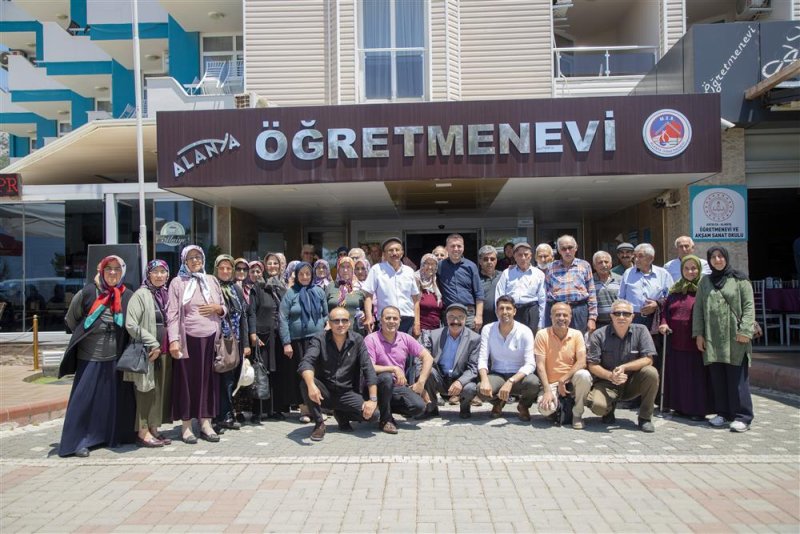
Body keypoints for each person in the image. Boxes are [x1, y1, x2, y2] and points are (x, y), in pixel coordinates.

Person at [58, 255, 136, 457]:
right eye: (108, 269)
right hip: (89, 355)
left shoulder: (126, 295)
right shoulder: (88, 292)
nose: (112, 273)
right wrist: (88, 332)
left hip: (114, 355)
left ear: (122, 272)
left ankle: (106, 437)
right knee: (83, 400)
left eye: (117, 269)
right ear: (101, 271)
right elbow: (72, 319)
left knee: (109, 401)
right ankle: (77, 442)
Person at [167, 245, 226, 444]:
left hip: (210, 338)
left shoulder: (211, 280)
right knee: (186, 382)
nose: (195, 261)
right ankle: (186, 426)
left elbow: (223, 307)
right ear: (184, 261)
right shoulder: (177, 282)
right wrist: (174, 340)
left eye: (198, 257)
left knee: (208, 383)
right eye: (190, 258)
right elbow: (173, 314)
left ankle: (206, 423)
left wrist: (218, 308)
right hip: (187, 340)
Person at [692, 246, 755, 433]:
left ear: (726, 258)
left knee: (737, 378)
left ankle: (743, 416)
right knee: (717, 377)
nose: (717, 260)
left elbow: (749, 306)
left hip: (736, 336)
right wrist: (699, 334)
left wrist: (745, 330)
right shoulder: (705, 281)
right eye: (713, 257)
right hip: (712, 337)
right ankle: (723, 413)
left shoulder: (740, 279)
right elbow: (699, 310)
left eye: (720, 256)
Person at [298, 307, 380, 441]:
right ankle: (319, 424)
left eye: (344, 320)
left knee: (373, 415)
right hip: (324, 392)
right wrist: (312, 385)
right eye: (336, 321)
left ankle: (342, 415)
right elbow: (306, 362)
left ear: (349, 323)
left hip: (346, 393)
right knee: (305, 383)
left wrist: (373, 400)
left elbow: (368, 369)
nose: (340, 324)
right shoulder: (319, 339)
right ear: (329, 323)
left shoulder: (358, 340)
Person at [586, 299, 659, 433]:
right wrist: (610, 376)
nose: (621, 317)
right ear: (611, 316)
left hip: (632, 382)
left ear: (632, 316)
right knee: (598, 406)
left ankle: (645, 418)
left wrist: (625, 367)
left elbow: (648, 359)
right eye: (617, 313)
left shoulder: (641, 331)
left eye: (626, 314)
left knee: (651, 372)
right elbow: (593, 365)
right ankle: (608, 409)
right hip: (607, 382)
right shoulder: (598, 335)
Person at [124, 259, 173, 448]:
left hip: (165, 351)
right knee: (145, 391)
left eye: (163, 272)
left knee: (158, 391)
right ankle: (142, 432)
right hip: (148, 351)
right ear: (148, 274)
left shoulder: (166, 294)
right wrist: (152, 343)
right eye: (156, 272)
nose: (159, 275)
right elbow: (131, 324)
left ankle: (154, 428)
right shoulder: (141, 295)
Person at [365, 306, 434, 434]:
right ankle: (386, 420)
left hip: (397, 386)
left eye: (395, 318)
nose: (391, 321)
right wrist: (394, 368)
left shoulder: (405, 338)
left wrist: (421, 382)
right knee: (386, 377)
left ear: (400, 321)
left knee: (418, 407)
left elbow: (428, 357)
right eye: (388, 318)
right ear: (381, 320)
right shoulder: (371, 339)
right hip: (376, 385)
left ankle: (384, 408)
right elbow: (369, 366)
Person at [658, 255, 710, 421]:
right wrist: (664, 324)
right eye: (686, 268)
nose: (690, 272)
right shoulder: (675, 290)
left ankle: (697, 410)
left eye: (694, 268)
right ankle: (679, 407)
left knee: (696, 377)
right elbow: (665, 312)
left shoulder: (704, 289)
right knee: (678, 375)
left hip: (695, 341)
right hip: (675, 341)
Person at [279, 261, 329, 423]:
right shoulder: (290, 293)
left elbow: (326, 314)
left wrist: (324, 327)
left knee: (318, 373)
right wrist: (286, 342)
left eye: (308, 273)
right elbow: (283, 318)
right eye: (301, 274)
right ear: (297, 275)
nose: (305, 277)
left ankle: (319, 408)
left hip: (317, 339)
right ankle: (305, 409)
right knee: (301, 374)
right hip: (297, 341)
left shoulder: (319, 291)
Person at [477, 296, 540, 420]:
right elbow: (482, 359)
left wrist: (511, 381)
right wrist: (484, 379)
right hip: (497, 374)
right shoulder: (487, 329)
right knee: (480, 389)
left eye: (508, 308)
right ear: (496, 311)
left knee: (533, 382)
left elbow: (530, 364)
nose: (504, 312)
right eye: (501, 308)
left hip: (518, 377)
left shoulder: (525, 331)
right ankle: (498, 402)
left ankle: (523, 405)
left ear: (514, 311)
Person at [213, 255, 255, 432]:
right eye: (222, 268)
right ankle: (218, 417)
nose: (225, 271)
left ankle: (227, 413)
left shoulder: (235, 289)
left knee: (231, 379)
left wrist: (245, 343)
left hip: (234, 342)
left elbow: (243, 316)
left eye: (228, 268)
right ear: (216, 269)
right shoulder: (212, 287)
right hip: (217, 342)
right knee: (219, 380)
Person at [534, 303, 592, 429]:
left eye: (565, 315)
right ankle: (559, 409)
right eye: (557, 315)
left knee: (584, 375)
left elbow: (582, 362)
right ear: (551, 317)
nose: (561, 318)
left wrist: (563, 379)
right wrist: (547, 391)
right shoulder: (542, 335)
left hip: (571, 380)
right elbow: (540, 366)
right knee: (545, 410)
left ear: (570, 317)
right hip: (551, 383)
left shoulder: (577, 334)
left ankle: (577, 414)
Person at [422, 303, 481, 419]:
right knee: (428, 371)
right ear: (446, 318)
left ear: (465, 319)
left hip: (461, 378)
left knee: (470, 388)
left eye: (460, 317)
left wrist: (460, 381)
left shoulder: (474, 339)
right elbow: (422, 359)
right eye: (451, 317)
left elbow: (473, 368)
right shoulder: (434, 335)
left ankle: (465, 407)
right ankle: (432, 408)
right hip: (441, 378)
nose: (455, 321)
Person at [250, 252, 287, 421]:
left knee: (277, 372)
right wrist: (253, 334)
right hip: (262, 336)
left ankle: (275, 408)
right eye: (269, 263)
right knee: (261, 371)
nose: (273, 266)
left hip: (279, 336)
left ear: (280, 266)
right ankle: (259, 410)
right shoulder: (258, 287)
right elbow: (251, 312)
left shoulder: (283, 288)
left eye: (275, 263)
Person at [362, 237, 420, 336]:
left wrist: (417, 323)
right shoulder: (376, 270)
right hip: (386, 320)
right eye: (390, 250)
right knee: (387, 351)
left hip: (408, 320)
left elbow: (415, 300)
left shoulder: (409, 271)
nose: (394, 253)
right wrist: (368, 317)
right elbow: (368, 296)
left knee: (407, 351)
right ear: (384, 254)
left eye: (397, 250)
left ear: (402, 252)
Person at [544, 235, 597, 334]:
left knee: (578, 341)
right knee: (556, 343)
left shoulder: (585, 265)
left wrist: (592, 318)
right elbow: (546, 294)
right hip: (558, 311)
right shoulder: (551, 267)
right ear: (559, 251)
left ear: (576, 248)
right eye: (563, 249)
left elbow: (592, 293)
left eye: (570, 248)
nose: (567, 251)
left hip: (579, 310)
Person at [494, 242, 546, 337]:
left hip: (531, 311)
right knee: (512, 339)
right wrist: (500, 318)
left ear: (531, 256)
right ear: (514, 256)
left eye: (526, 255)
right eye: (519, 255)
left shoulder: (539, 274)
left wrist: (540, 324)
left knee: (530, 340)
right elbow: (499, 296)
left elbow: (543, 301)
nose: (523, 258)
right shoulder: (507, 273)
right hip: (512, 311)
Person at [619, 243, 673, 329]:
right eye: (635, 256)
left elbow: (671, 298)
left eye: (640, 256)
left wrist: (657, 305)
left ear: (651, 258)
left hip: (655, 319)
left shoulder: (663, 274)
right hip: (633, 319)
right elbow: (621, 297)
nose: (636, 259)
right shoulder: (628, 273)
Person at [437, 233, 484, 331]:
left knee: (470, 343)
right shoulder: (440, 266)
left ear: (463, 247)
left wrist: (479, 316)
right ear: (447, 248)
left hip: (468, 313)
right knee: (449, 344)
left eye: (459, 246)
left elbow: (479, 293)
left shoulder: (471, 266)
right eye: (452, 246)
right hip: (449, 313)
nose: (456, 249)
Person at [326, 256, 366, 335]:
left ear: (353, 269)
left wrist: (364, 314)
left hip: (355, 333)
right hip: (334, 333)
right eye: (342, 267)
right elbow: (323, 309)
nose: (345, 270)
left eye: (348, 267)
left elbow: (368, 308)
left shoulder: (361, 287)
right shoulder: (331, 286)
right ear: (338, 269)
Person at [415, 253, 444, 347]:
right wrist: (416, 326)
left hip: (436, 330)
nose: (430, 267)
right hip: (421, 330)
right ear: (422, 264)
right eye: (427, 263)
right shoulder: (416, 280)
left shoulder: (436, 282)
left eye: (433, 264)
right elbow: (413, 305)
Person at [592, 251, 621, 328]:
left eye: (606, 262)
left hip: (617, 323)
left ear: (611, 265)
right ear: (594, 266)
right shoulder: (589, 281)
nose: (604, 265)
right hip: (597, 324)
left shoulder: (620, 279)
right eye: (600, 262)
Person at [478, 245, 500, 326]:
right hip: (481, 322)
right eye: (485, 259)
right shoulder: (475, 278)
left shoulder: (503, 276)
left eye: (492, 259)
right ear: (480, 261)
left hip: (500, 321)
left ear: (496, 260)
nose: (489, 262)